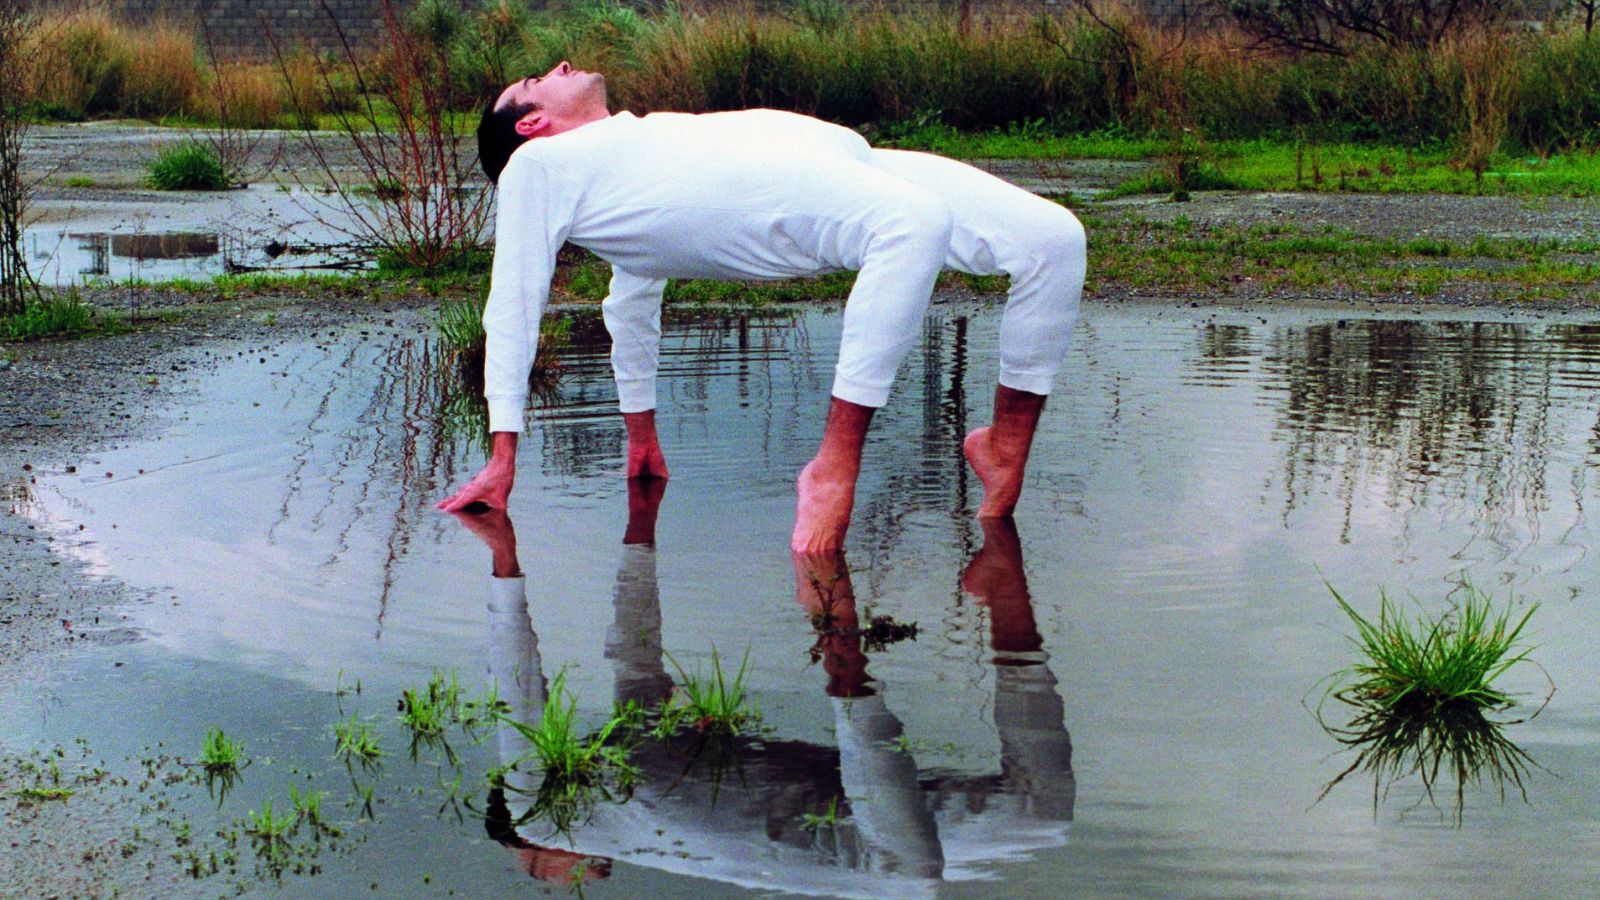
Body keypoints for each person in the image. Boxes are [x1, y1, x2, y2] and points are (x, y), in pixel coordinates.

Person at [436, 62, 1087, 551]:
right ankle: (831, 470)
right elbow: (513, 303)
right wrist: (502, 454)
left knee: (1053, 240)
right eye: (538, 79)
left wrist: (640, 434)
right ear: (531, 124)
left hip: (853, 162)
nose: (561, 67)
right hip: (821, 196)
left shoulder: (636, 159)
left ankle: (1003, 447)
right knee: (913, 221)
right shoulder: (539, 167)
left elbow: (630, 299)